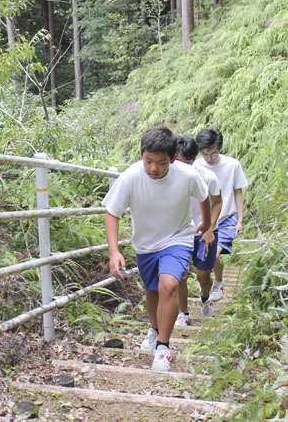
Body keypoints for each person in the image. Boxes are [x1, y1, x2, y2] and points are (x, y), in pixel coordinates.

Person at [102, 125, 211, 371]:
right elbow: (112, 212)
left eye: (161, 163)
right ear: (141, 154)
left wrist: (207, 224)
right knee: (152, 292)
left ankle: (163, 346)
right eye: (148, 161)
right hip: (146, 244)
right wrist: (114, 251)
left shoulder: (188, 175)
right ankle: (154, 330)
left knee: (169, 284)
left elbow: (204, 197)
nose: (153, 168)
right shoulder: (130, 177)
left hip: (178, 237)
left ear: (173, 159)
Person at [174, 136, 222, 325]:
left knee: (203, 276)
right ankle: (184, 314)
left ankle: (205, 297)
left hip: (205, 233)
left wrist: (210, 228)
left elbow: (218, 202)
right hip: (180, 234)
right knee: (181, 276)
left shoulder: (207, 177)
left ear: (193, 160)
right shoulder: (166, 176)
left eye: (184, 163)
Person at [195, 127, 248, 301]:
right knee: (209, 256)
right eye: (205, 154)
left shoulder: (232, 165)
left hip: (227, 217)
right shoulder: (196, 166)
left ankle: (217, 282)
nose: (209, 159)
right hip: (205, 218)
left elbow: (238, 192)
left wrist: (240, 220)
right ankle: (218, 280)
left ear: (220, 149)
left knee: (214, 253)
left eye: (214, 154)